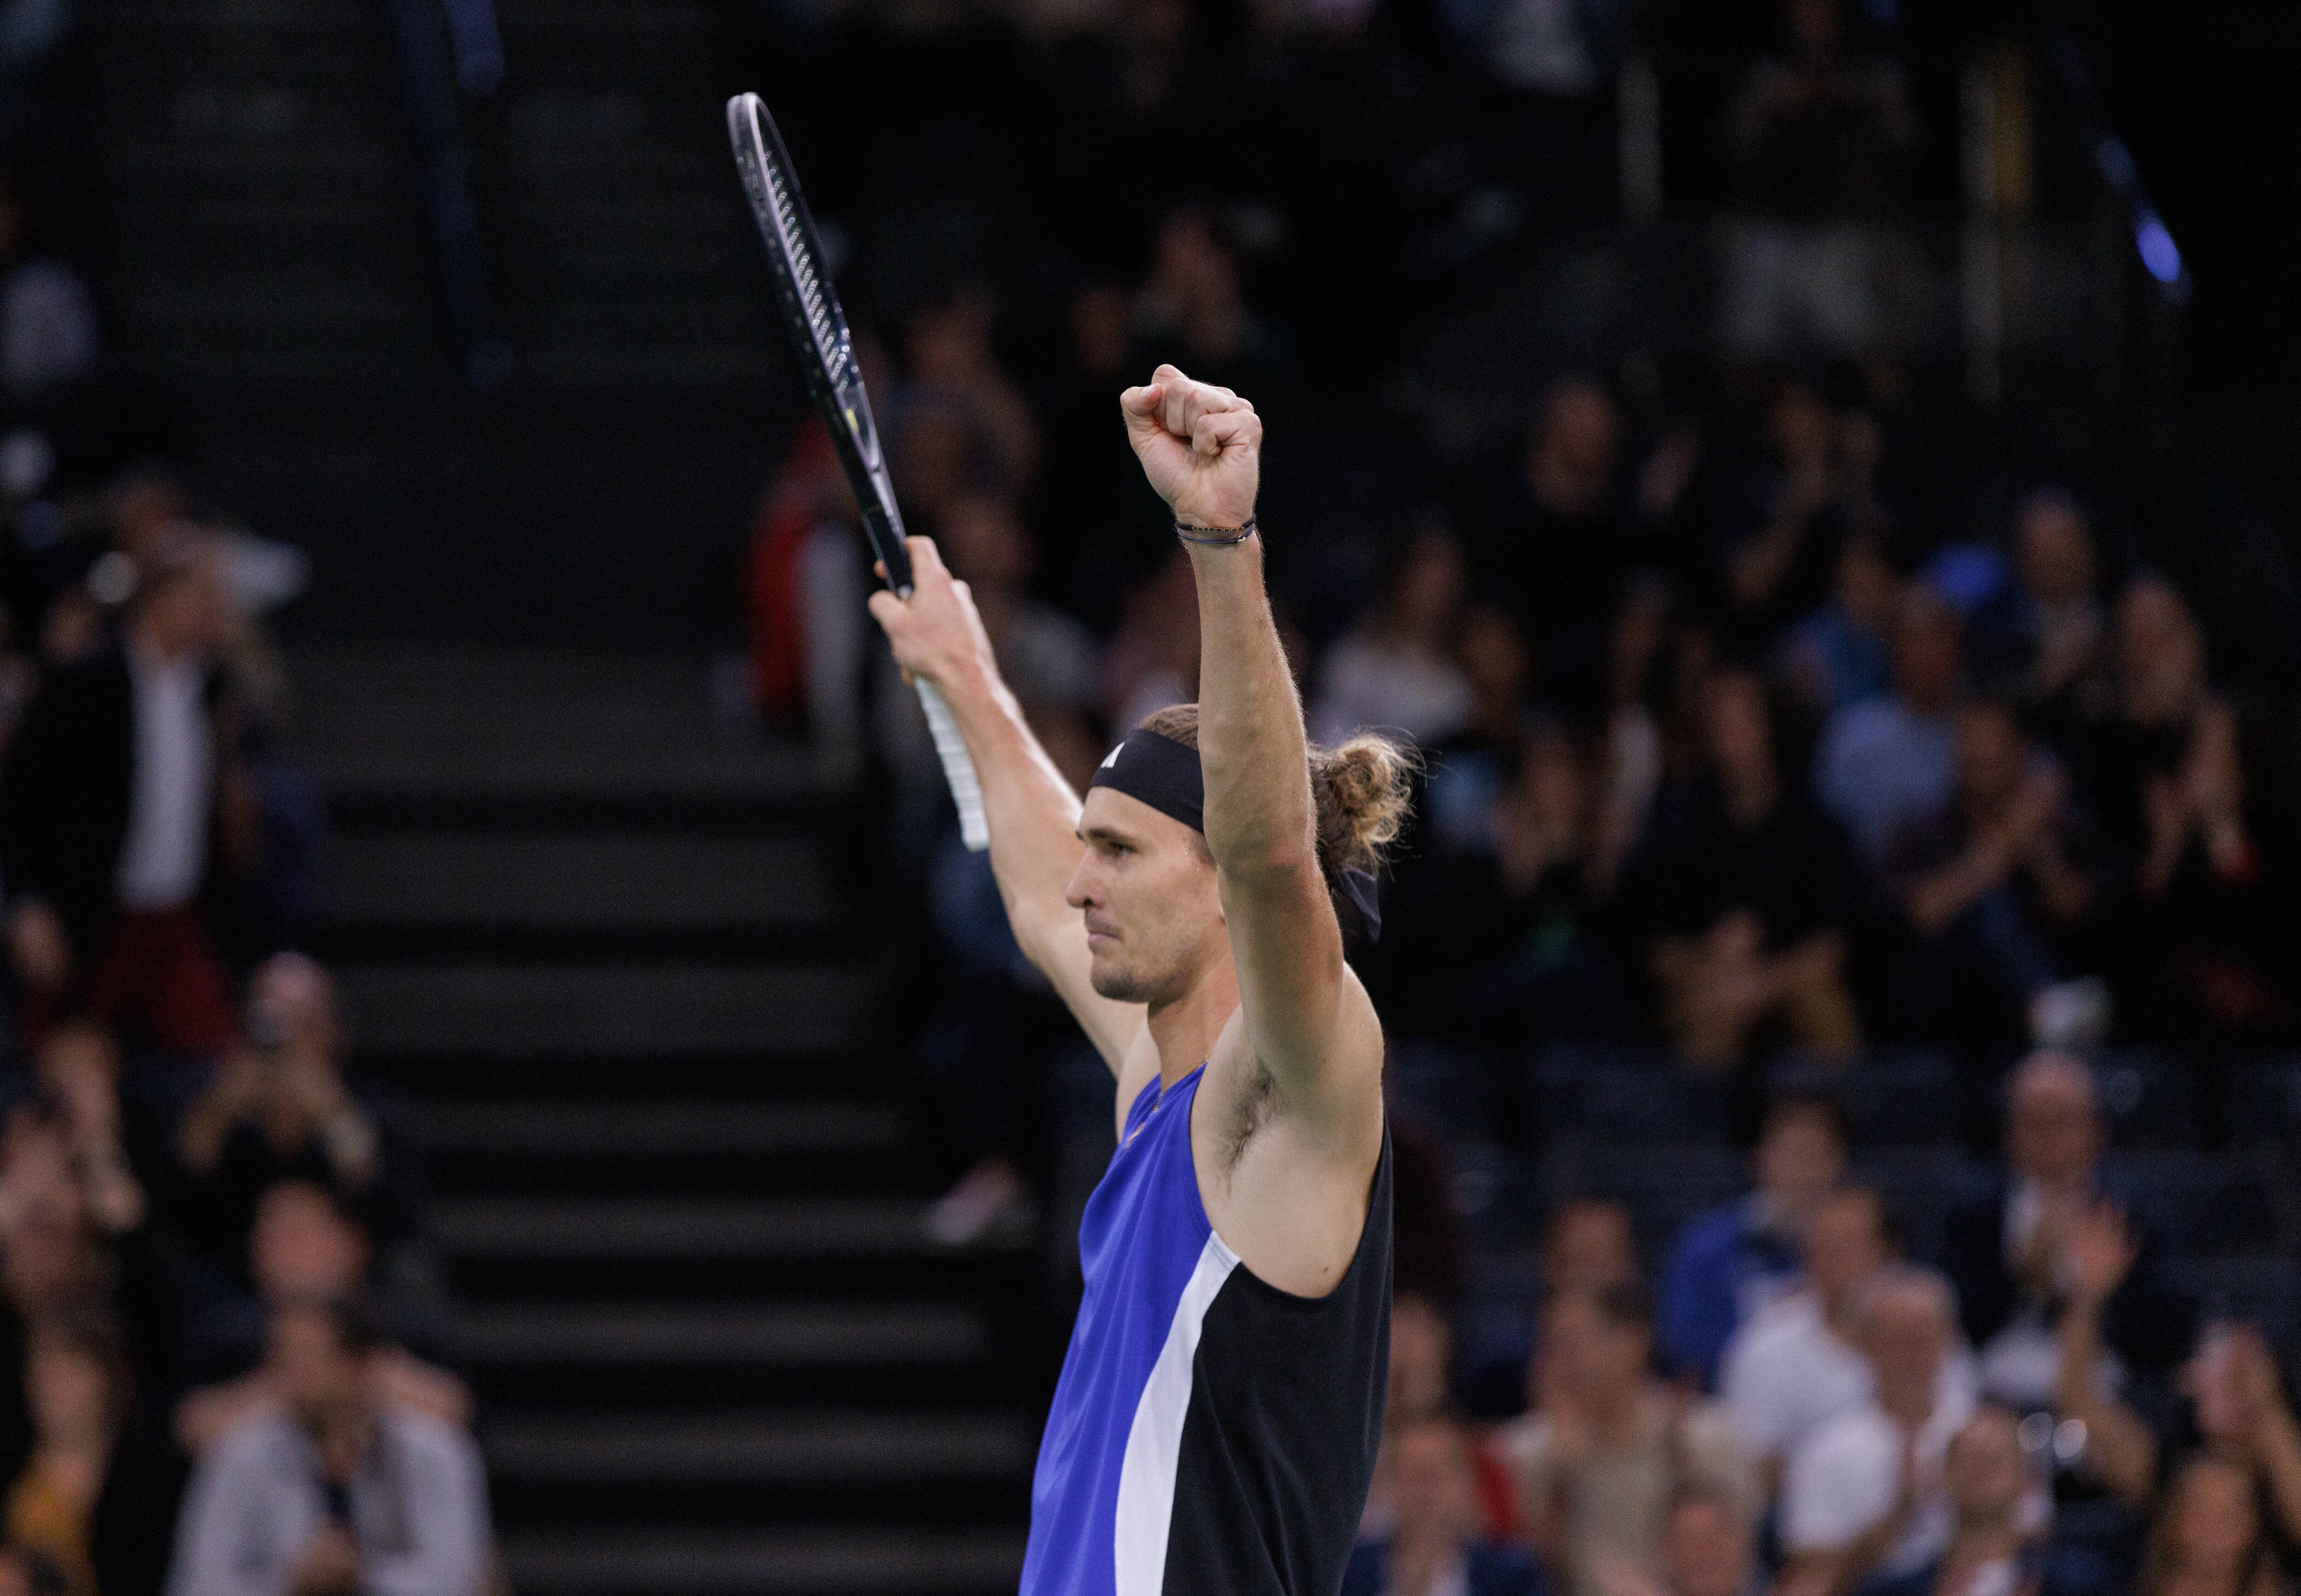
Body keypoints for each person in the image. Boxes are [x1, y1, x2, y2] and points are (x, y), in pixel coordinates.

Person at [866, 364, 1402, 1592]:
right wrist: (964, 673)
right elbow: (1036, 879)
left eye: (1124, 851)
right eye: (1093, 844)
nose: (1083, 881)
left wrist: (1221, 539)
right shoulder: (1153, 1088)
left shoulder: (1288, 1097)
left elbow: (1272, 854)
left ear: (1220, 884)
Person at [0, 528, 243, 1056]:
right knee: (62, 1058)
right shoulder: (87, 683)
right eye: (208, 594)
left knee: (214, 1058)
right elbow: (22, 797)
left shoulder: (212, 691)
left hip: (176, 921)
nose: (220, 609)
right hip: (94, 916)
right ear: (166, 598)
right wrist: (27, 902)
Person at [165, 1297, 490, 1596]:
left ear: (355, 1366)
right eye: (279, 1356)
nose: (285, 1375)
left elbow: (455, 1581)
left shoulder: (436, 1453)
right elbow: (198, 1584)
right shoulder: (237, 1456)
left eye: (303, 1358)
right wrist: (291, 1583)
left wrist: (364, 1575)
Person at [1622, 668, 1862, 1066]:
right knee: (1708, 1016)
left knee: (1824, 1008)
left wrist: (1762, 984)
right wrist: (1709, 961)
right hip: (1708, 983)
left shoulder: (1817, 828)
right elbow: (1653, 945)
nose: (1730, 733)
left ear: (1771, 725)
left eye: (1742, 720)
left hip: (1790, 980)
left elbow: (1836, 942)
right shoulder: (1678, 829)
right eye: (1720, 721)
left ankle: (1829, 1124)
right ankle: (1699, 1125)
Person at [1935, 1052, 2191, 1414]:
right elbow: (1953, 1317)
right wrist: (2021, 1273)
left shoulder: (2133, 1210)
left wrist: (2095, 1294)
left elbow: (2168, 1327)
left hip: (2107, 1385)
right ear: (2009, 1132)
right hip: (1989, 1387)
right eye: (2033, 1121)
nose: (2048, 1137)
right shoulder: (1972, 1208)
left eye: (2062, 1121)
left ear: (2095, 1130)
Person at [1498, 1284, 1756, 1596]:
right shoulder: (1522, 1453)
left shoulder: (1706, 1436)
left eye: (1575, 1342)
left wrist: (1680, 1460)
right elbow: (1522, 1575)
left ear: (1631, 1343)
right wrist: (1561, 1477)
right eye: (1551, 1346)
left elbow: (1737, 1564)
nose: (1562, 1362)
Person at [1879, 701, 2107, 1049]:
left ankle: (2048, 1010)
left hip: (2044, 1020)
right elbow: (1916, 915)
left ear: (2021, 754)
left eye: (1992, 750)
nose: (1978, 761)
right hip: (1948, 1009)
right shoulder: (1922, 831)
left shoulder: (2058, 826)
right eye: (1970, 749)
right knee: (1987, 903)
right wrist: (2000, 850)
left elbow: (2076, 912)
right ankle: (2044, 1004)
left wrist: (2039, 851)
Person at [1722, 1186, 1976, 1475]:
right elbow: (1753, 1460)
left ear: (1889, 1252)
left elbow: (1960, 1423)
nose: (1834, 1259)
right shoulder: (1766, 1345)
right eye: (1823, 1246)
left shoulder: (1925, 1325)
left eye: (1849, 1245)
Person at [1780, 1266, 1979, 1596]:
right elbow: (1812, 1576)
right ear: (1866, 1345)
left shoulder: (1985, 1436)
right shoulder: (1825, 1450)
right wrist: (1901, 1509)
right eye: (1896, 1341)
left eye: (1922, 1338)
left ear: (1948, 1342)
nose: (1911, 1356)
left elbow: (2028, 1539)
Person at [1659, 1091, 1850, 1392]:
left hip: (1835, 1401)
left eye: (1816, 1157)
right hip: (1729, 1400)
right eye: (1794, 1156)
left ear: (1838, 1164)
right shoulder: (1707, 1246)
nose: (1805, 1175)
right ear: (1759, 1159)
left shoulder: (1858, 1246)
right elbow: (1685, 1344)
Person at [0, 1301, 183, 1596]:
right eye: (43, 1363)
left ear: (108, 1376)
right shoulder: (9, 1467)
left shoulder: (149, 1479)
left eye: (71, 1363)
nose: (52, 1381)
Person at [1818, 584, 1965, 864]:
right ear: (1893, 650)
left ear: (1957, 647)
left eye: (1937, 639)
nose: (1926, 654)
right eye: (1913, 640)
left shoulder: (1983, 730)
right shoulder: (1851, 734)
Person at [1310, 524, 1473, 749]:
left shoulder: (1462, 678)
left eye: (1445, 579)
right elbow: (1326, 734)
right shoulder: (1353, 659)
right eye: (1426, 571)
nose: (1435, 590)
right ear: (1402, 576)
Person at [1860, 1406, 2052, 1596]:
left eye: (1993, 1461)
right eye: (1967, 1460)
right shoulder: (1899, 1587)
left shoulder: (2061, 1579)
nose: (1979, 1472)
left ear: (2025, 1477)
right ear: (1944, 1473)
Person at [1345, 1415, 1545, 1596]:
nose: (1424, 1491)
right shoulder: (1348, 1571)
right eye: (1411, 1476)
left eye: (1435, 1476)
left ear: (1466, 1485)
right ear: (1389, 1485)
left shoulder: (1511, 1576)